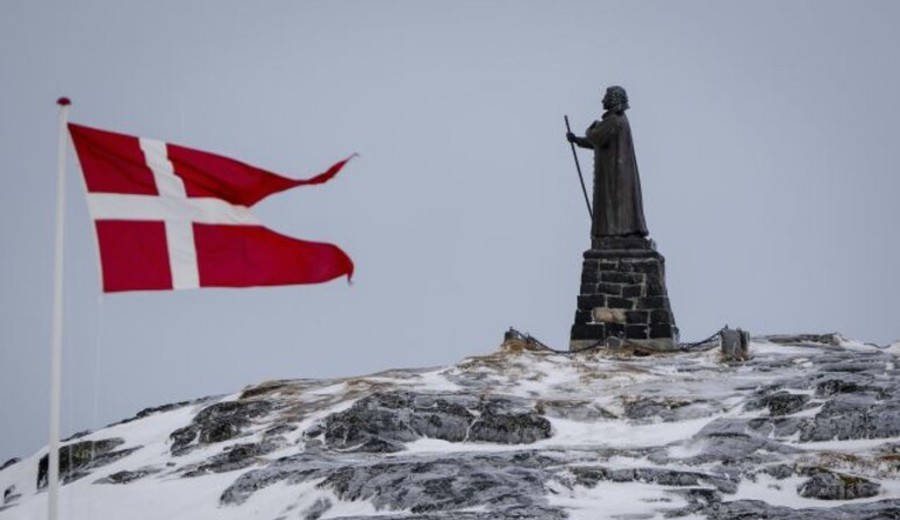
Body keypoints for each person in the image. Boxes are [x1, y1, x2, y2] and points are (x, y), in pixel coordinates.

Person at [567, 86, 649, 239]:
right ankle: (619, 230)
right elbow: (599, 142)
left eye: (605, 97)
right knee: (616, 202)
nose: (602, 100)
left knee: (615, 201)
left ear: (613, 99)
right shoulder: (618, 119)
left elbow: (596, 137)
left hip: (615, 172)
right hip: (616, 170)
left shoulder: (613, 119)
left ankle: (617, 231)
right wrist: (577, 140)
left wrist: (590, 129)